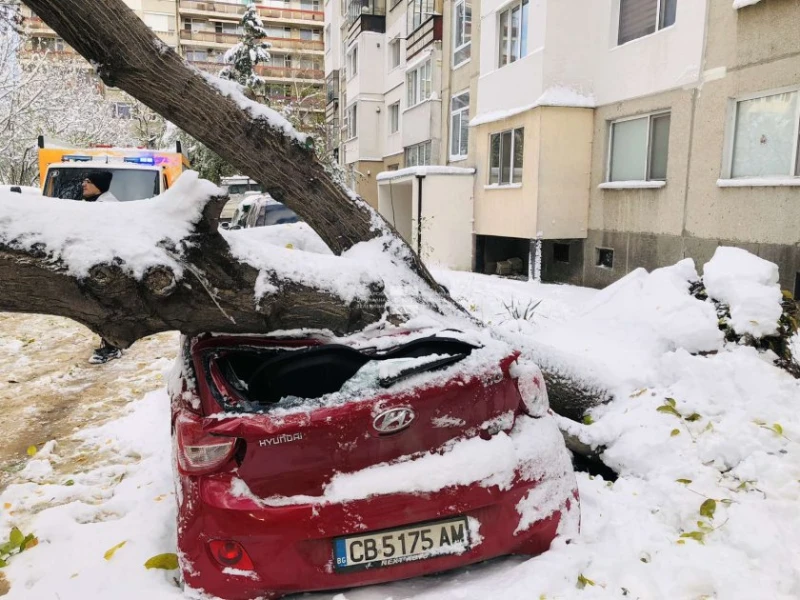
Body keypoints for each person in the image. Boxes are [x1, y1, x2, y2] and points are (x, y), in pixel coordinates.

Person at [82, 171, 122, 364]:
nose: (84, 184)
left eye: (88, 182)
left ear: (99, 185)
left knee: (108, 307)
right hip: (100, 265)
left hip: (107, 267)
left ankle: (113, 347)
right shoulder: (97, 203)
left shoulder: (105, 207)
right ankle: (111, 343)